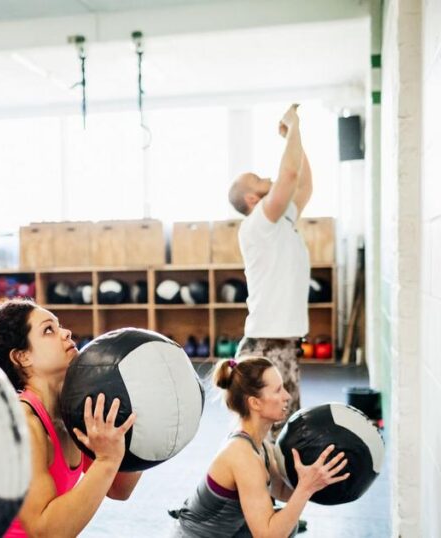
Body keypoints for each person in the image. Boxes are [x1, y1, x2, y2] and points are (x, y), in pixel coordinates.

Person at [0, 298, 142, 537]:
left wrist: (136, 431)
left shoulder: (71, 413)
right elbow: (44, 532)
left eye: (59, 325)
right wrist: (107, 460)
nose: (66, 332)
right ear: (22, 357)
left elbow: (119, 489)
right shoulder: (22, 424)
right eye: (48, 330)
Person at [170, 357, 349, 537]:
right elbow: (267, 535)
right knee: (279, 526)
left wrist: (315, 478)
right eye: (278, 390)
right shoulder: (242, 456)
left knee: (285, 521)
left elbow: (282, 492)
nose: (287, 396)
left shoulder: (262, 447)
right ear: (255, 403)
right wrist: (306, 487)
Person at [226, 104, 313, 436]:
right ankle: (253, 487)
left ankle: (280, 488)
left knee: (287, 436)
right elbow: (290, 176)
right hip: (266, 346)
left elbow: (303, 186)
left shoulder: (281, 221)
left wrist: (295, 140)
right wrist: (293, 126)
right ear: (252, 198)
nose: (269, 178)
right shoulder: (259, 224)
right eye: (260, 180)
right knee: (269, 440)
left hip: (284, 345)